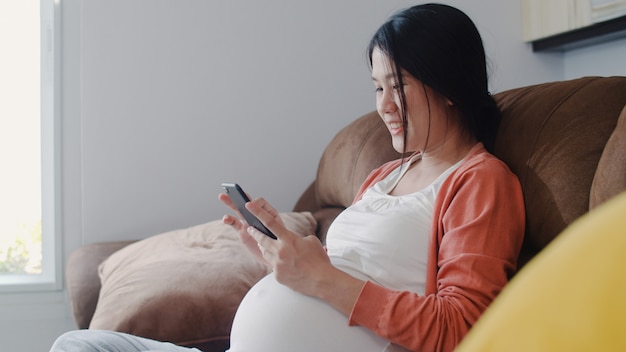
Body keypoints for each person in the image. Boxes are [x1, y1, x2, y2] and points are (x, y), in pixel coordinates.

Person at [49, 3, 524, 352]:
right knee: (78, 346)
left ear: (448, 85)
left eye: (397, 85)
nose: (383, 106)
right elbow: (327, 281)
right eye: (378, 87)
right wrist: (275, 260)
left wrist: (322, 280)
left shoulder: (480, 181)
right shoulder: (383, 175)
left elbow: (462, 326)